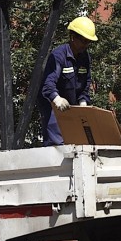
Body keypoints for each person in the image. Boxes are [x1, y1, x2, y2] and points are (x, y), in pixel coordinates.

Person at [38, 16, 97, 146]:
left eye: (88, 42)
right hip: (53, 106)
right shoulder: (58, 55)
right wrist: (56, 99)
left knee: (76, 142)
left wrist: (83, 102)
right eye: (83, 41)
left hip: (72, 105)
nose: (86, 45)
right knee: (57, 144)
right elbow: (48, 84)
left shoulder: (84, 57)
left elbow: (85, 84)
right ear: (73, 37)